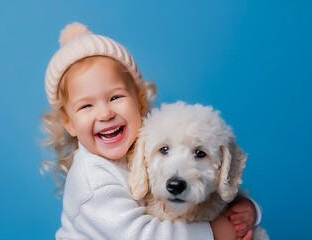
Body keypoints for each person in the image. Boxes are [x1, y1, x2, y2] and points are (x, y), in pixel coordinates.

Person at [42, 22, 261, 240]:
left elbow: (212, 188)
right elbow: (142, 235)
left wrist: (247, 209)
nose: (105, 114)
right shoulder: (90, 182)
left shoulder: (149, 139)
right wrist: (214, 232)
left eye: (115, 97)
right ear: (69, 123)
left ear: (139, 101)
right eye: (86, 106)